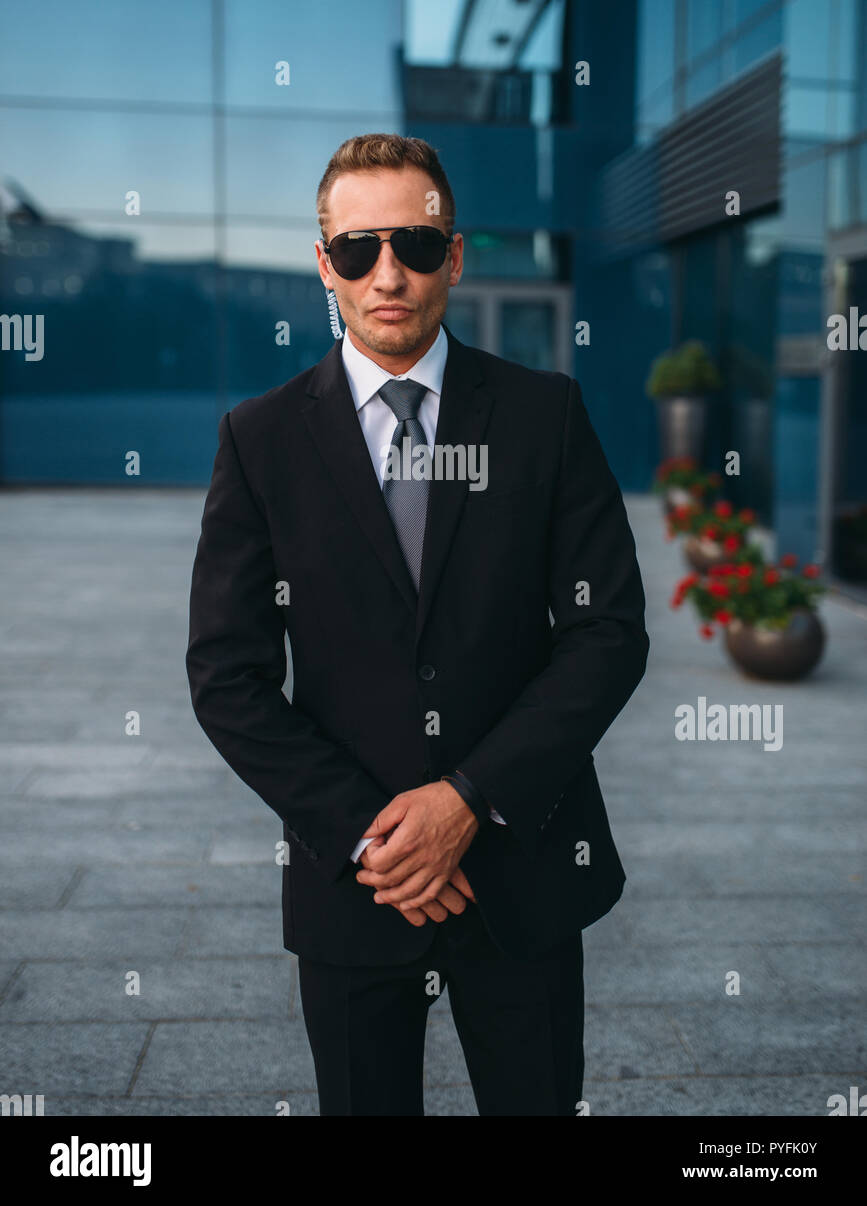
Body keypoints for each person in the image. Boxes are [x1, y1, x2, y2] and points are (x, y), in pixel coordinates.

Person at [186, 133, 649, 1116]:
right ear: (324, 263)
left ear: (457, 254)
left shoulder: (547, 415)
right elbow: (227, 676)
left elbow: (607, 633)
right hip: (354, 890)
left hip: (521, 879)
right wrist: (373, 834)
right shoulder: (259, 440)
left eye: (416, 244)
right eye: (356, 250)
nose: (386, 273)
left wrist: (469, 800)